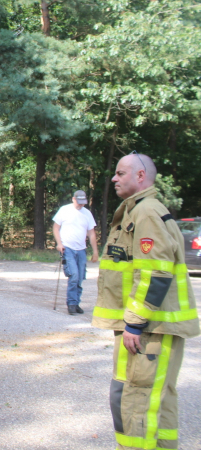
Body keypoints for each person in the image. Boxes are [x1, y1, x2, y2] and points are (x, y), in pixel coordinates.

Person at [93, 152, 199, 450]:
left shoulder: (147, 213)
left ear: (140, 176)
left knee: (136, 399)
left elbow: (155, 273)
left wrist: (135, 323)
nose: (114, 178)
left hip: (149, 331)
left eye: (120, 173)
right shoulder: (138, 210)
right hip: (149, 328)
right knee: (154, 398)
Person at [52, 190, 99, 315]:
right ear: (73, 199)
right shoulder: (64, 210)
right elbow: (56, 228)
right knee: (74, 275)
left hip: (81, 249)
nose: (81, 205)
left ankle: (76, 302)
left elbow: (91, 233)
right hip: (67, 248)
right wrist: (59, 243)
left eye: (83, 202)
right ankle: (71, 304)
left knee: (80, 277)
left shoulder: (87, 213)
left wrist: (95, 251)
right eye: (79, 202)